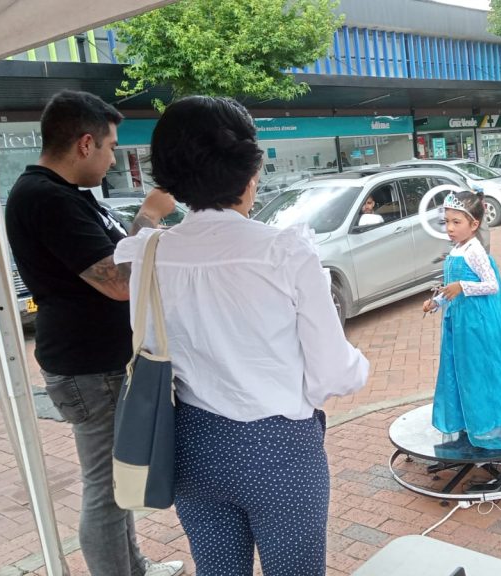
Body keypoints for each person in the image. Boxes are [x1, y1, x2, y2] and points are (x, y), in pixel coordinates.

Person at [114, 96, 369, 576]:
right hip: (279, 450)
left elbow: (146, 343)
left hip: (192, 443)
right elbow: (334, 371)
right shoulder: (284, 251)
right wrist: (360, 368)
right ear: (250, 171)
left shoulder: (148, 253)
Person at [4, 90, 184, 576]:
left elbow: (117, 259)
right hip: (88, 369)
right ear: (85, 144)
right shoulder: (46, 199)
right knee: (106, 489)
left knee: (119, 480)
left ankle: (135, 567)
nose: (111, 159)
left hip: (97, 363)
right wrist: (147, 216)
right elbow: (122, 282)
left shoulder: (65, 196)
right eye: (108, 147)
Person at [422, 191, 501, 449]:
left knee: (480, 372)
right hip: (459, 325)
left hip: (477, 324)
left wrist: (462, 286)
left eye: (457, 222)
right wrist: (437, 302)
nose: (450, 228)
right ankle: (469, 420)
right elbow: (451, 289)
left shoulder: (475, 251)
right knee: (461, 372)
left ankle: (491, 423)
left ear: (474, 224)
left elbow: (491, 285)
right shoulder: (456, 249)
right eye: (447, 222)